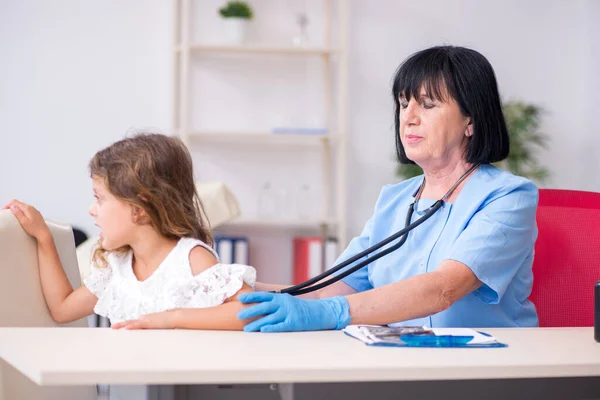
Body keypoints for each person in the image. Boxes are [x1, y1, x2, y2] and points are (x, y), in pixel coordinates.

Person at [115, 45, 539, 332]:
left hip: (480, 369)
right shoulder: (395, 201)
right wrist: (225, 286)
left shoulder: (507, 197)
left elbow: (442, 288)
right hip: (398, 366)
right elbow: (329, 287)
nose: (408, 117)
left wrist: (328, 313)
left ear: (471, 119)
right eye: (403, 103)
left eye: (427, 105)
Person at [4, 133, 256, 329]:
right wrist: (44, 238)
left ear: (139, 208)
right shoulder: (118, 267)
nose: (92, 210)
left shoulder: (191, 258)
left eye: (99, 198)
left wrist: (169, 319)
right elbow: (62, 309)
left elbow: (247, 311)